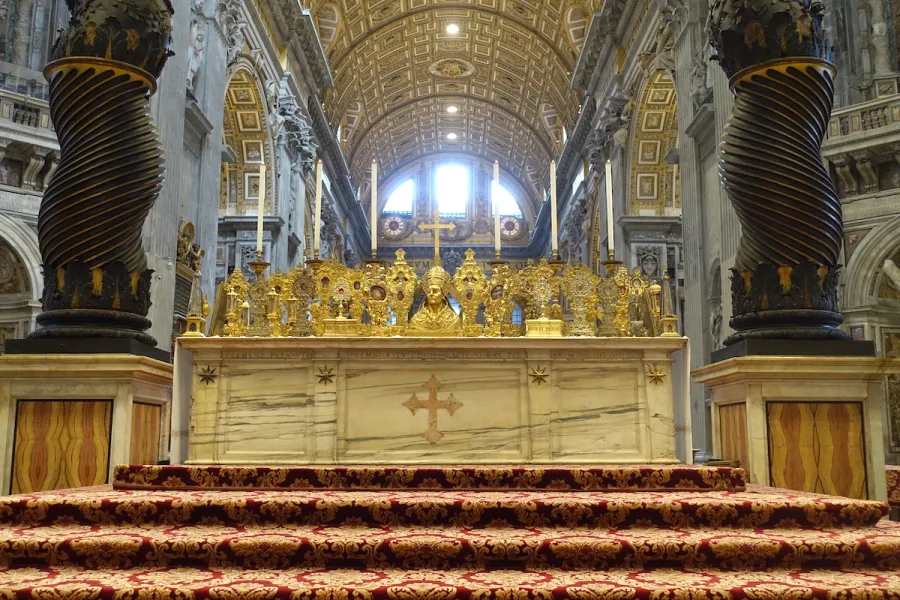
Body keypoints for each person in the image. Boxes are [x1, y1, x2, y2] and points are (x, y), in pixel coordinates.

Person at [409, 265, 461, 334]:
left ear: (443, 293)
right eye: (428, 291)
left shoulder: (454, 320)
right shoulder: (416, 320)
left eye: (435, 291)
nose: (431, 294)